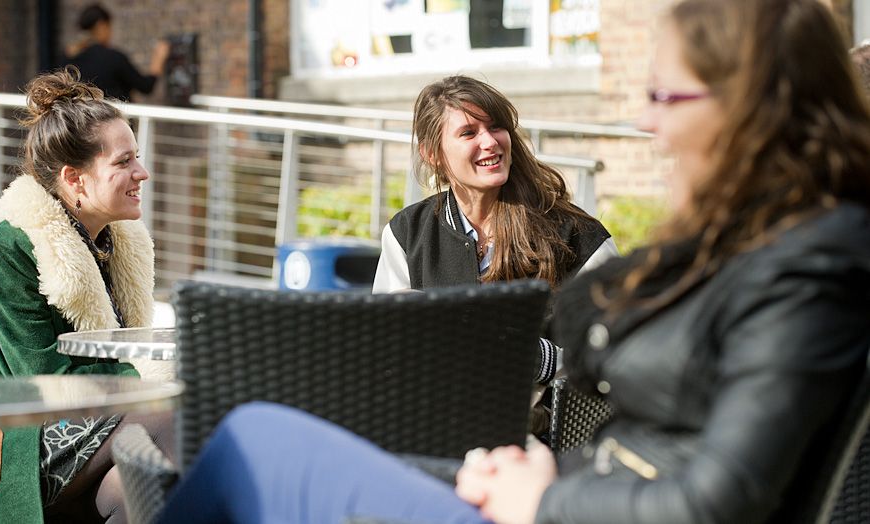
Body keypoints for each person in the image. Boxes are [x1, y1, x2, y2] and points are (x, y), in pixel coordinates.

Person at [157, 0, 870, 522]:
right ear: (435, 156)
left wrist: (545, 497)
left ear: (745, 107)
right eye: (468, 132)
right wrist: (542, 472)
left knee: (253, 436)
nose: (647, 121)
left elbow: (720, 497)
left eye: (664, 96)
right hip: (525, 471)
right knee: (257, 439)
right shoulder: (754, 246)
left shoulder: (803, 266)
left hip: (553, 502)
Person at [0, 67, 173, 523]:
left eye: (136, 157)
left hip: (93, 420)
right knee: (173, 420)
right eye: (124, 162)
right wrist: (148, 377)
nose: (143, 172)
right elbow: (42, 377)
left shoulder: (114, 243)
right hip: (6, 436)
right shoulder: (9, 248)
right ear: (75, 179)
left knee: (139, 483)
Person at [373, 75, 617, 399]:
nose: (489, 142)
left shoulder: (576, 236)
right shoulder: (407, 234)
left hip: (539, 440)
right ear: (432, 153)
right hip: (431, 427)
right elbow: (381, 348)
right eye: (469, 133)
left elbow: (615, 354)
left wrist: (542, 361)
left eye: (496, 127)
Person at [63, 3, 170, 102]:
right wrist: (158, 59)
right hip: (111, 118)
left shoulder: (67, 58)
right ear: (102, 26)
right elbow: (145, 87)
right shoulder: (113, 58)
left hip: (82, 119)